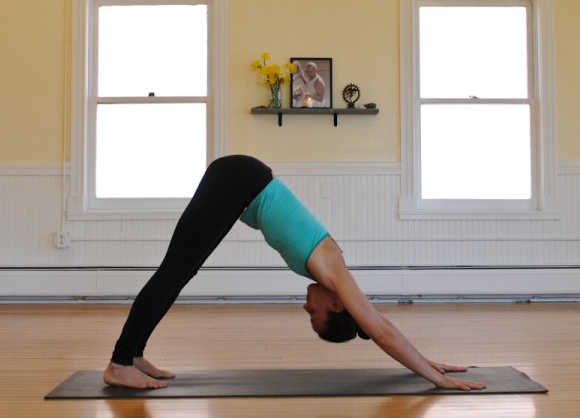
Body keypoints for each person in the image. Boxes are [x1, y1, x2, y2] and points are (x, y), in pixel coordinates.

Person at [103, 155, 486, 392]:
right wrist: (438, 380)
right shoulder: (335, 275)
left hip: (242, 181)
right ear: (336, 306)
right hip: (240, 180)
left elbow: (376, 324)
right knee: (174, 272)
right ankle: (120, 363)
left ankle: (133, 355)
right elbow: (381, 332)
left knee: (179, 272)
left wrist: (428, 361)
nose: (305, 309)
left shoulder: (339, 282)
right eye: (314, 314)